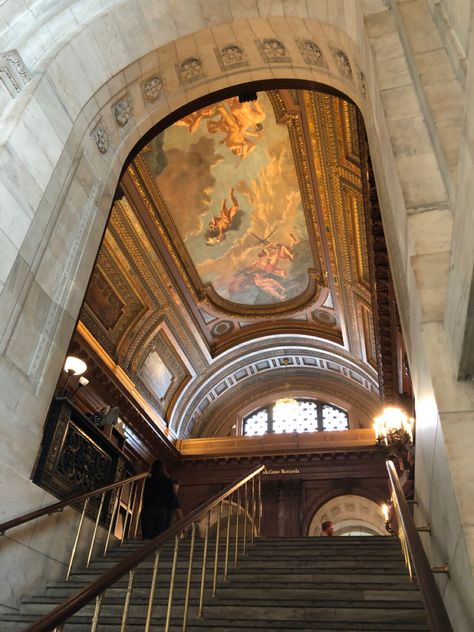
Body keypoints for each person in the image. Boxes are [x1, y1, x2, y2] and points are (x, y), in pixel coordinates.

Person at [140, 459, 177, 539]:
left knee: (147, 535)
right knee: (158, 535)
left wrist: (145, 505)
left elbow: (145, 494)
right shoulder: (167, 482)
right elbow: (171, 498)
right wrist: (168, 512)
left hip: (149, 508)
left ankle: (146, 550)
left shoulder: (149, 480)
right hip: (162, 510)